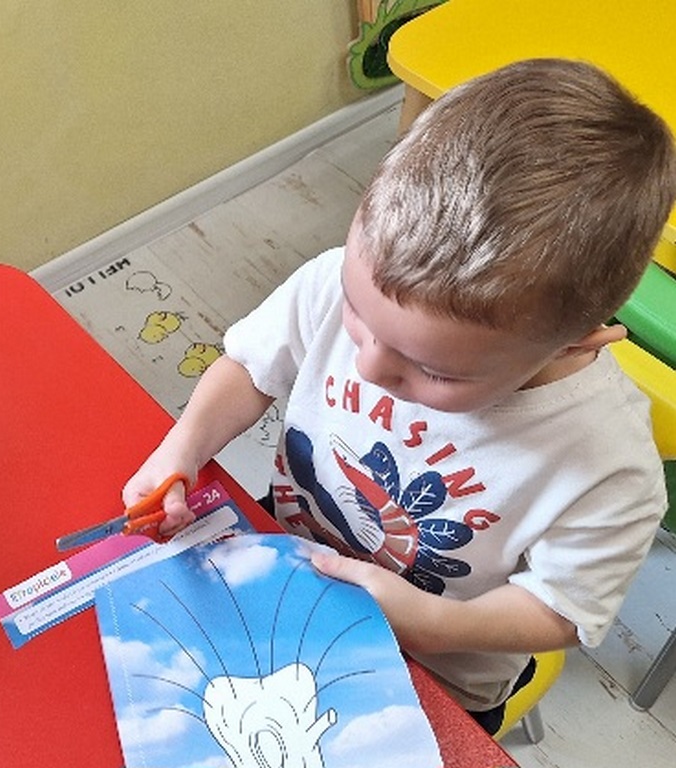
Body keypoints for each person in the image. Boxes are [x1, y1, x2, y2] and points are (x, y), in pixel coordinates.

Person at [123, 58, 676, 733]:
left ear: (574, 344)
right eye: (357, 313)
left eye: (431, 369)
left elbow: (562, 608)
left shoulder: (607, 467)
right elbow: (251, 367)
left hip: (432, 670)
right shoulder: (343, 280)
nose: (368, 365)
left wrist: (434, 624)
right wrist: (183, 448)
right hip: (286, 555)